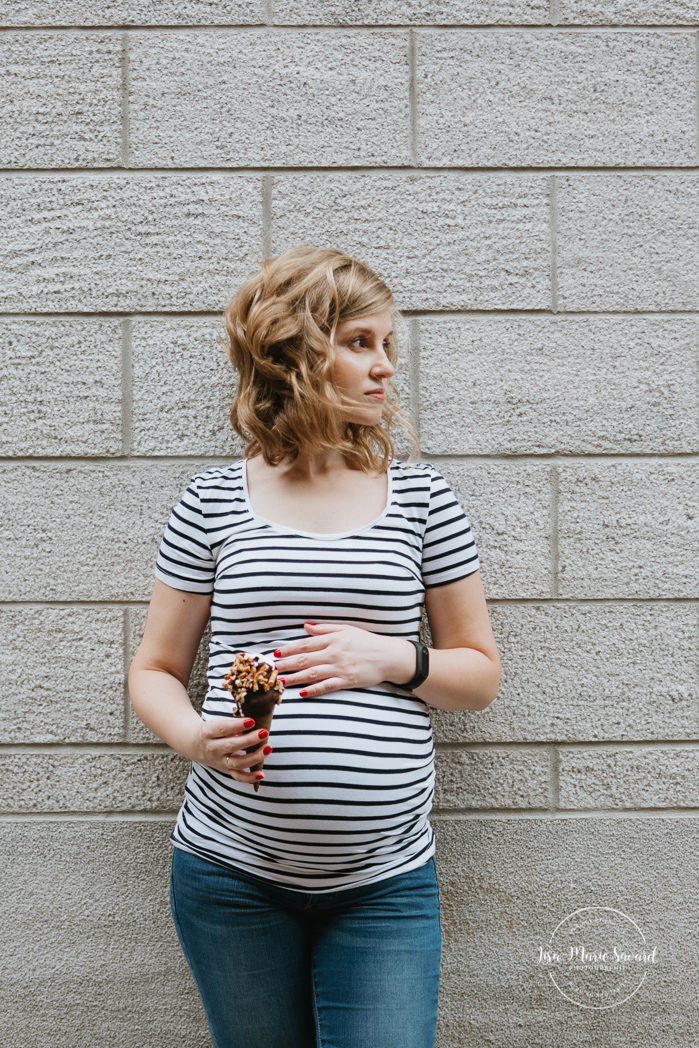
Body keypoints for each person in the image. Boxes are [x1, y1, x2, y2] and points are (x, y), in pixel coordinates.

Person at [128, 245, 501, 1048]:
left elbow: (477, 675)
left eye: (388, 346)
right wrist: (193, 736)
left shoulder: (423, 499)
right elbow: (155, 669)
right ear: (296, 351)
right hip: (228, 874)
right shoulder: (213, 502)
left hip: (385, 884)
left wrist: (393, 660)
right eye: (361, 343)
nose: (384, 368)